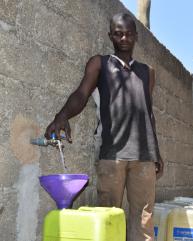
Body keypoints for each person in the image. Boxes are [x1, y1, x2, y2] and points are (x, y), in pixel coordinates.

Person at [45, 12, 163, 241]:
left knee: (144, 219)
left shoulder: (147, 72)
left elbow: (148, 111)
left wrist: (156, 150)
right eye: (118, 33)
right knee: (108, 217)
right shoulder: (100, 63)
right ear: (111, 36)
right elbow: (81, 94)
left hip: (144, 156)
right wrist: (62, 116)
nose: (124, 38)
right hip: (112, 154)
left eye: (128, 33)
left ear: (136, 36)